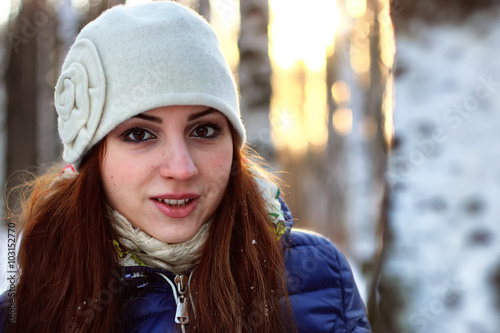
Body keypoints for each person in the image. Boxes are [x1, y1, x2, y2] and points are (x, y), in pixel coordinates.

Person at [0, 1, 371, 332]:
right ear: (94, 157)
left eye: (204, 130)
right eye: (139, 135)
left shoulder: (319, 277)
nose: (180, 168)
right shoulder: (27, 311)